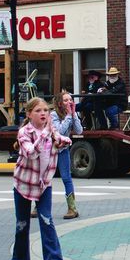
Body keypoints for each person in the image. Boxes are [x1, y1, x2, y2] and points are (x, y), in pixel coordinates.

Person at [4, 97, 71, 260]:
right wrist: (45, 134)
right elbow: (31, 153)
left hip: (44, 184)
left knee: (46, 220)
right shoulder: (24, 132)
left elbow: (62, 140)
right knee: (22, 223)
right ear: (29, 114)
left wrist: (61, 140)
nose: (43, 114)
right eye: (38, 111)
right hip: (24, 184)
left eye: (45, 111)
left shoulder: (51, 130)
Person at [49, 90, 83, 220]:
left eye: (70, 100)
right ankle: (38, 206)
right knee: (45, 178)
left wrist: (73, 115)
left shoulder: (71, 114)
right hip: (50, 150)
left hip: (63, 150)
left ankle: (72, 208)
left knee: (66, 178)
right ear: (59, 103)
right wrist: (69, 115)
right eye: (66, 100)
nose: (69, 102)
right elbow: (60, 132)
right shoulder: (53, 115)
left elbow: (79, 130)